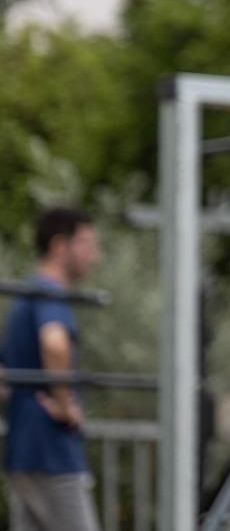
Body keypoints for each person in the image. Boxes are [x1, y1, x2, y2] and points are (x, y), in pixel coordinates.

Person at [2, 207, 104, 531]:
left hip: (24, 449)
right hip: (52, 451)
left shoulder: (28, 295)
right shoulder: (49, 292)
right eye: (86, 244)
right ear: (60, 246)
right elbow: (55, 343)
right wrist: (64, 403)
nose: (94, 256)